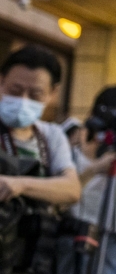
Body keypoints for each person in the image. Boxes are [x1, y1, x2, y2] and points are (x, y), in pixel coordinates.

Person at [0, 45, 81, 270]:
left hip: (32, 257)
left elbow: (71, 189)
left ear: (53, 93)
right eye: (15, 91)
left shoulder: (51, 136)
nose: (23, 100)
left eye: (35, 95)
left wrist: (19, 185)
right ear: (1, 81)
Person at [72, 85, 116, 274]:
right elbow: (62, 200)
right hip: (73, 240)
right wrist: (96, 168)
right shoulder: (73, 157)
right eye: (114, 117)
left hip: (110, 248)